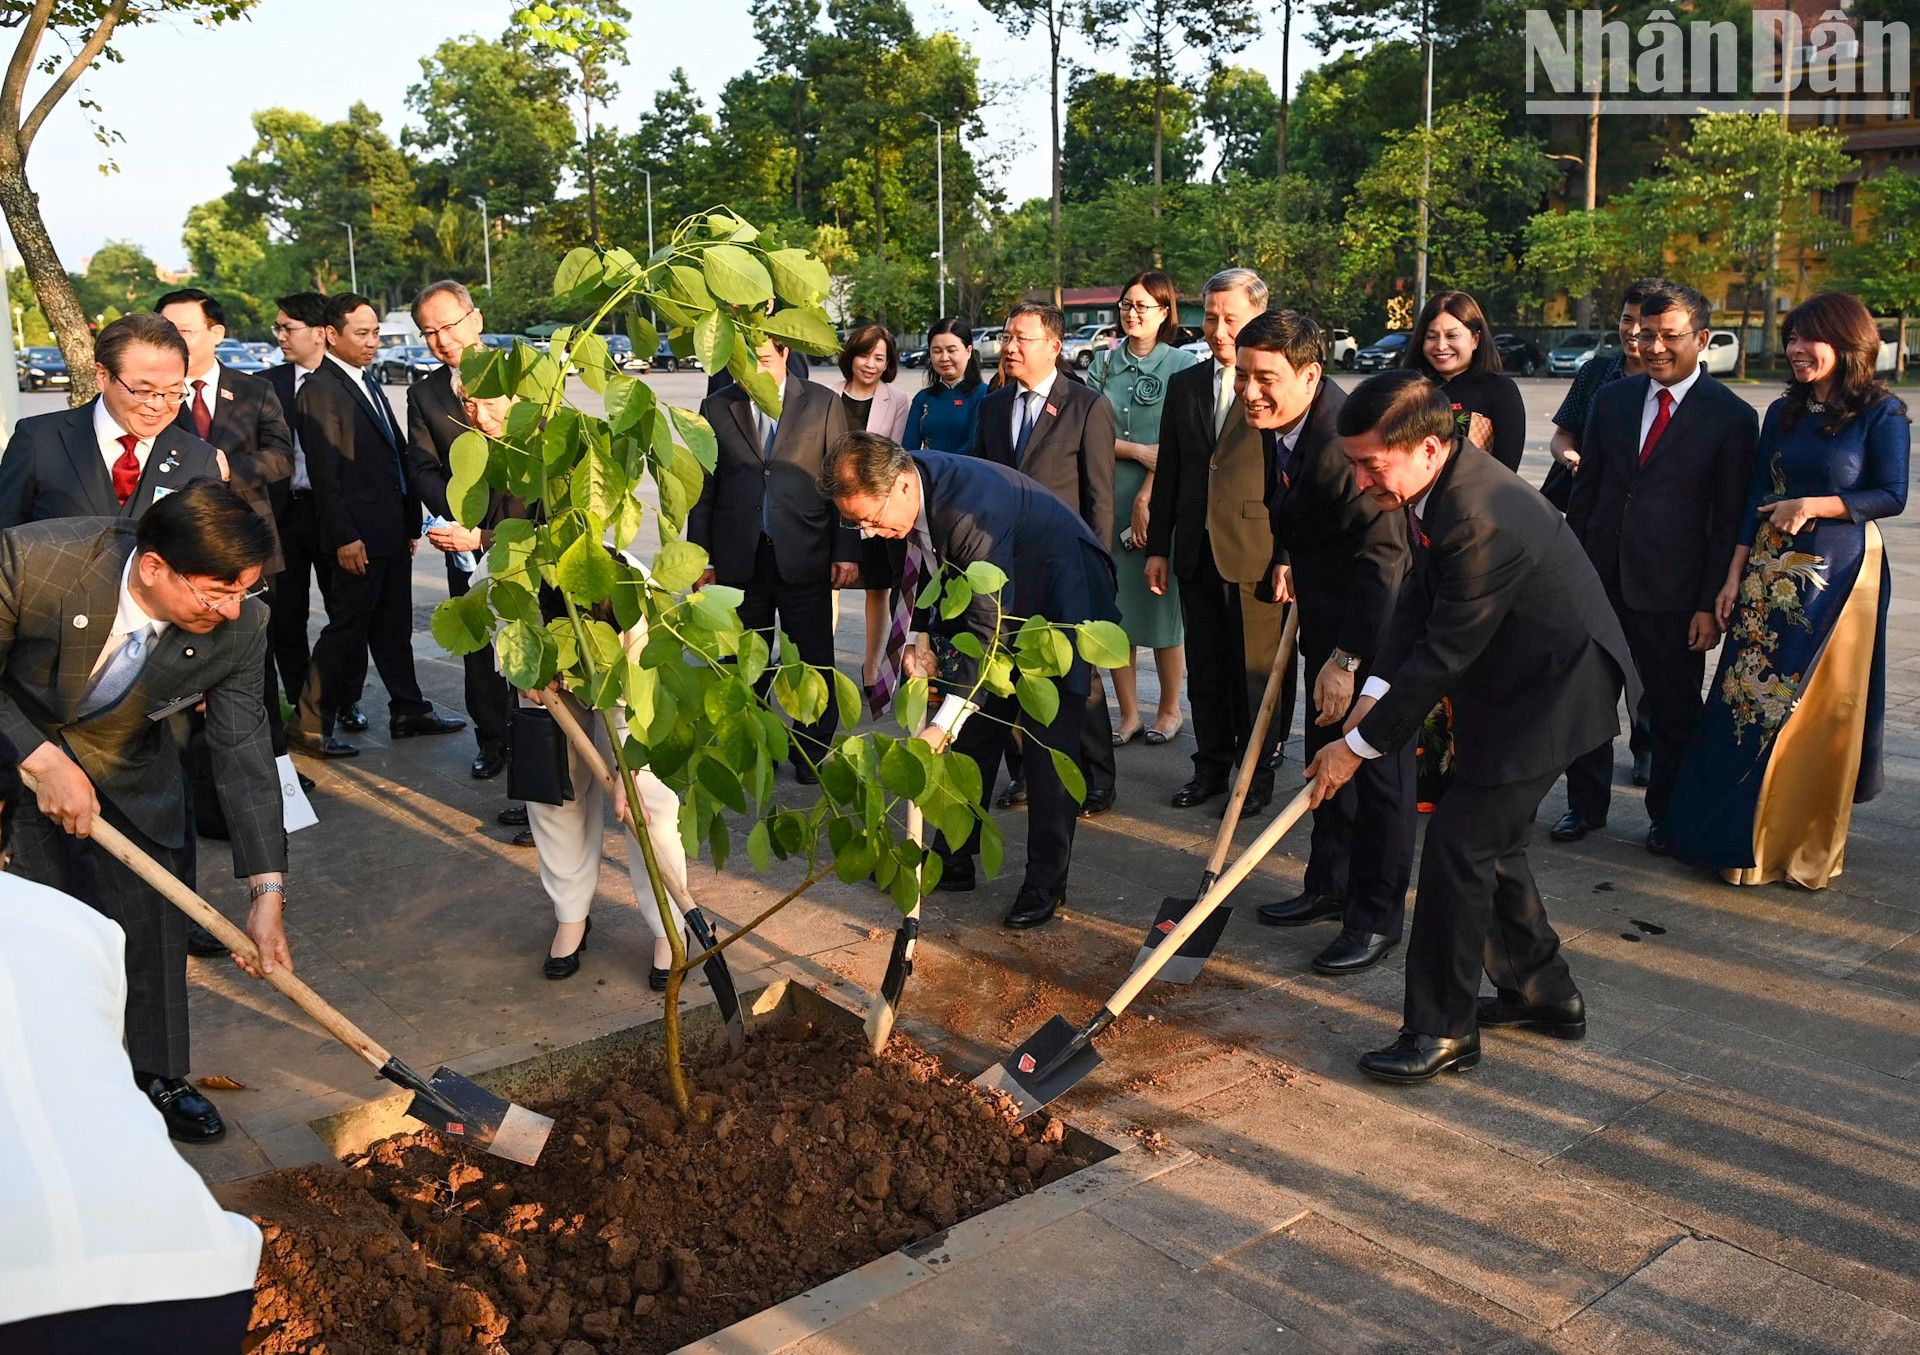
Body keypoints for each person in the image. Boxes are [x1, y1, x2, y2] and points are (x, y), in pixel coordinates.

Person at [1303, 372, 1637, 1082]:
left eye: (1371, 464)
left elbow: (1447, 650)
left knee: (1458, 843)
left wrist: (1355, 748)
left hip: (1553, 689)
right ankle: (1545, 993)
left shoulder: (1480, 513)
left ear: (1427, 446)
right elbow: (1421, 601)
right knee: (1492, 841)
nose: (1361, 481)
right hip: (1515, 678)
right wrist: (1374, 692)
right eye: (1354, 463)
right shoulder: (1440, 484)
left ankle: (1441, 1029)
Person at [0, 481, 295, 1140]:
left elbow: (245, 753)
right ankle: (33, 1088)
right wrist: (42, 760)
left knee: (153, 927)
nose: (228, 610)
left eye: (241, 590)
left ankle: (156, 1073)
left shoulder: (241, 623)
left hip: (128, 765)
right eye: (215, 591)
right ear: (156, 567)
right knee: (26, 938)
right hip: (12, 751)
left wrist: (266, 889)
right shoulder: (40, 561)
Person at [0, 758, 263, 1348]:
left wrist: (266, 888)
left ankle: (163, 1077)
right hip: (193, 1286)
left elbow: (240, 739)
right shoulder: (81, 928)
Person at [820, 432, 1120, 930]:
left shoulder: (966, 510)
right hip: (994, 598)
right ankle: (954, 859)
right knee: (975, 739)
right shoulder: (903, 494)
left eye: (870, 519)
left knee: (1048, 747)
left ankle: (1046, 884)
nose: (868, 533)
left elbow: (988, 630)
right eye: (855, 523)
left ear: (901, 488)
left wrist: (942, 722)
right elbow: (916, 569)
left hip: (1061, 596)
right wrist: (921, 640)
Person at [1668, 291, 1910, 889]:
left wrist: (1816, 504)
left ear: (1849, 343)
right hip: (1767, 571)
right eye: (1792, 339)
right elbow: (1754, 497)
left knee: (1812, 708)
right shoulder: (1784, 413)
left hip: (1840, 576)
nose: (1796, 351)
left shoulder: (1883, 413)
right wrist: (1730, 578)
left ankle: (1795, 844)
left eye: (1809, 339)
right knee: (1745, 698)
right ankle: (1727, 839)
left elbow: (1892, 494)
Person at [1237, 312, 1417, 976]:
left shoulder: (1347, 442)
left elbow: (1386, 557)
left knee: (1375, 770)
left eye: (1266, 378)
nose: (1250, 390)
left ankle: (1374, 918)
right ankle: (1329, 885)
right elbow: (1296, 510)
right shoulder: (1283, 424)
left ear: (1310, 375)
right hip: (1329, 613)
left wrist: (1347, 661)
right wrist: (1289, 558)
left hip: (1381, 627)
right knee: (1325, 759)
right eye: (1242, 375)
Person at [1561, 281, 1757, 854]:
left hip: (1673, 598)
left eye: (1669, 336)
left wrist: (1707, 603)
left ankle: (1666, 815)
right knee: (1586, 701)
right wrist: (1571, 573)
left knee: (1672, 712)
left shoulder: (1732, 417)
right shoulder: (1614, 400)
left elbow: (1726, 520)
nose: (1653, 348)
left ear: (1701, 338)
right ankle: (1584, 807)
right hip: (1599, 580)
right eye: (1645, 334)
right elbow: (1589, 491)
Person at [288, 293, 465, 760]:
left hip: (387, 531)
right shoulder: (319, 390)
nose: (373, 342)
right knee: (346, 629)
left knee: (393, 628)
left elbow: (392, 457)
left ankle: (409, 709)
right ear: (331, 335)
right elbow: (326, 474)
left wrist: (409, 523)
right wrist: (345, 536)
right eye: (362, 334)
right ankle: (308, 725)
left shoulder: (362, 380)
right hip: (357, 537)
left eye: (376, 333)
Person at [1145, 268, 1292, 817]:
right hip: (1195, 548)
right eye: (1210, 317)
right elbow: (1174, 470)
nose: (1219, 329)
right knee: (1205, 669)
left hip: (1258, 552)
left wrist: (1286, 556)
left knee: (1256, 673)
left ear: (1259, 316)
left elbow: (1292, 478)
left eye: (1232, 318)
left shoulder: (1281, 386)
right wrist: (1159, 546)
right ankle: (1208, 766)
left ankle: (1256, 776)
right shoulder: (1185, 383)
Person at [974, 302, 1119, 816]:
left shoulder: (1086, 406)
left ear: (1054, 346)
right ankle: (1027, 775)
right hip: (1002, 566)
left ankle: (1098, 777)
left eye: (1022, 338)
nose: (1009, 347)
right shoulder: (992, 407)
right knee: (1010, 672)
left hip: (1065, 567)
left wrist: (1098, 571)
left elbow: (1100, 498)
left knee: (1079, 674)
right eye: (1007, 337)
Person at [690, 336, 855, 782]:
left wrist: (846, 549)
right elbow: (702, 490)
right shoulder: (716, 408)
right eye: (744, 363)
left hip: (806, 553)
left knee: (812, 657)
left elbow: (843, 480)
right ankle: (754, 749)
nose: (754, 372)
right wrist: (701, 559)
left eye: (763, 359)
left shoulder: (821, 402)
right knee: (745, 661)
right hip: (737, 558)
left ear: (785, 355)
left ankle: (811, 751)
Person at [405, 279, 525, 783]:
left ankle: (538, 743)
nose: (441, 339)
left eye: (447, 325)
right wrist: (461, 512)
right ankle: (492, 739)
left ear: (474, 319)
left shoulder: (525, 373)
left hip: (525, 531)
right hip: (463, 537)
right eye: (428, 332)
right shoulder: (426, 393)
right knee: (478, 644)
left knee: (527, 639)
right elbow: (421, 466)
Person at [1087, 270, 1195, 748]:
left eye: (1144, 306)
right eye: (1127, 304)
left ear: (1166, 312)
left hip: (1162, 498)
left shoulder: (1182, 364)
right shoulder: (1103, 365)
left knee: (1162, 614)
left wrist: (1149, 493)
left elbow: (1179, 440)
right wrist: (1135, 452)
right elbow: (1087, 434)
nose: (1133, 313)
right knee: (1117, 615)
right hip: (1109, 496)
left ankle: (1169, 710)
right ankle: (1128, 714)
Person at [0, 313, 225, 530]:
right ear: (102, 376)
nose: (158, 404)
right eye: (143, 390)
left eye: (174, 391)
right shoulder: (40, 442)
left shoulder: (199, 459)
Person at [264, 293, 363, 739]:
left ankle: (346, 701)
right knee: (288, 617)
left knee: (346, 613)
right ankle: (302, 702)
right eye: (278, 328)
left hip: (334, 515)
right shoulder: (266, 386)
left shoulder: (348, 382)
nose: (281, 336)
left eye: (289, 328)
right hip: (284, 518)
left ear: (320, 332)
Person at [837, 324, 912, 695]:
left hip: (875, 506)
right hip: (833, 502)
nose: (870, 364)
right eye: (864, 355)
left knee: (877, 588)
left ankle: (871, 667)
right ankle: (824, 666)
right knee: (829, 585)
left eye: (879, 358)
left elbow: (894, 454)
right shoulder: (827, 395)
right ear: (851, 356)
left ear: (888, 363)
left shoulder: (897, 400)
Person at [1543, 279, 1659, 511]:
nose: (1633, 331)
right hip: (1589, 505)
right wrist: (1572, 459)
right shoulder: (1595, 371)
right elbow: (1562, 436)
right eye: (1627, 320)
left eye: (1643, 323)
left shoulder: (1667, 386)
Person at [1396, 289, 1529, 473]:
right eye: (1432, 336)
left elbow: (1506, 468)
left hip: (1476, 497)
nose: (1441, 346)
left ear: (1475, 339)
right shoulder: (1405, 389)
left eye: (1452, 336)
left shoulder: (1500, 391)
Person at [904, 318, 988, 454]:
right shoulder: (922, 398)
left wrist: (942, 469)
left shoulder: (984, 394)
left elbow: (974, 443)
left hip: (967, 471)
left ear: (968, 351)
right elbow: (908, 447)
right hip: (928, 472)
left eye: (951, 350)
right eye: (937, 351)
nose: (944, 358)